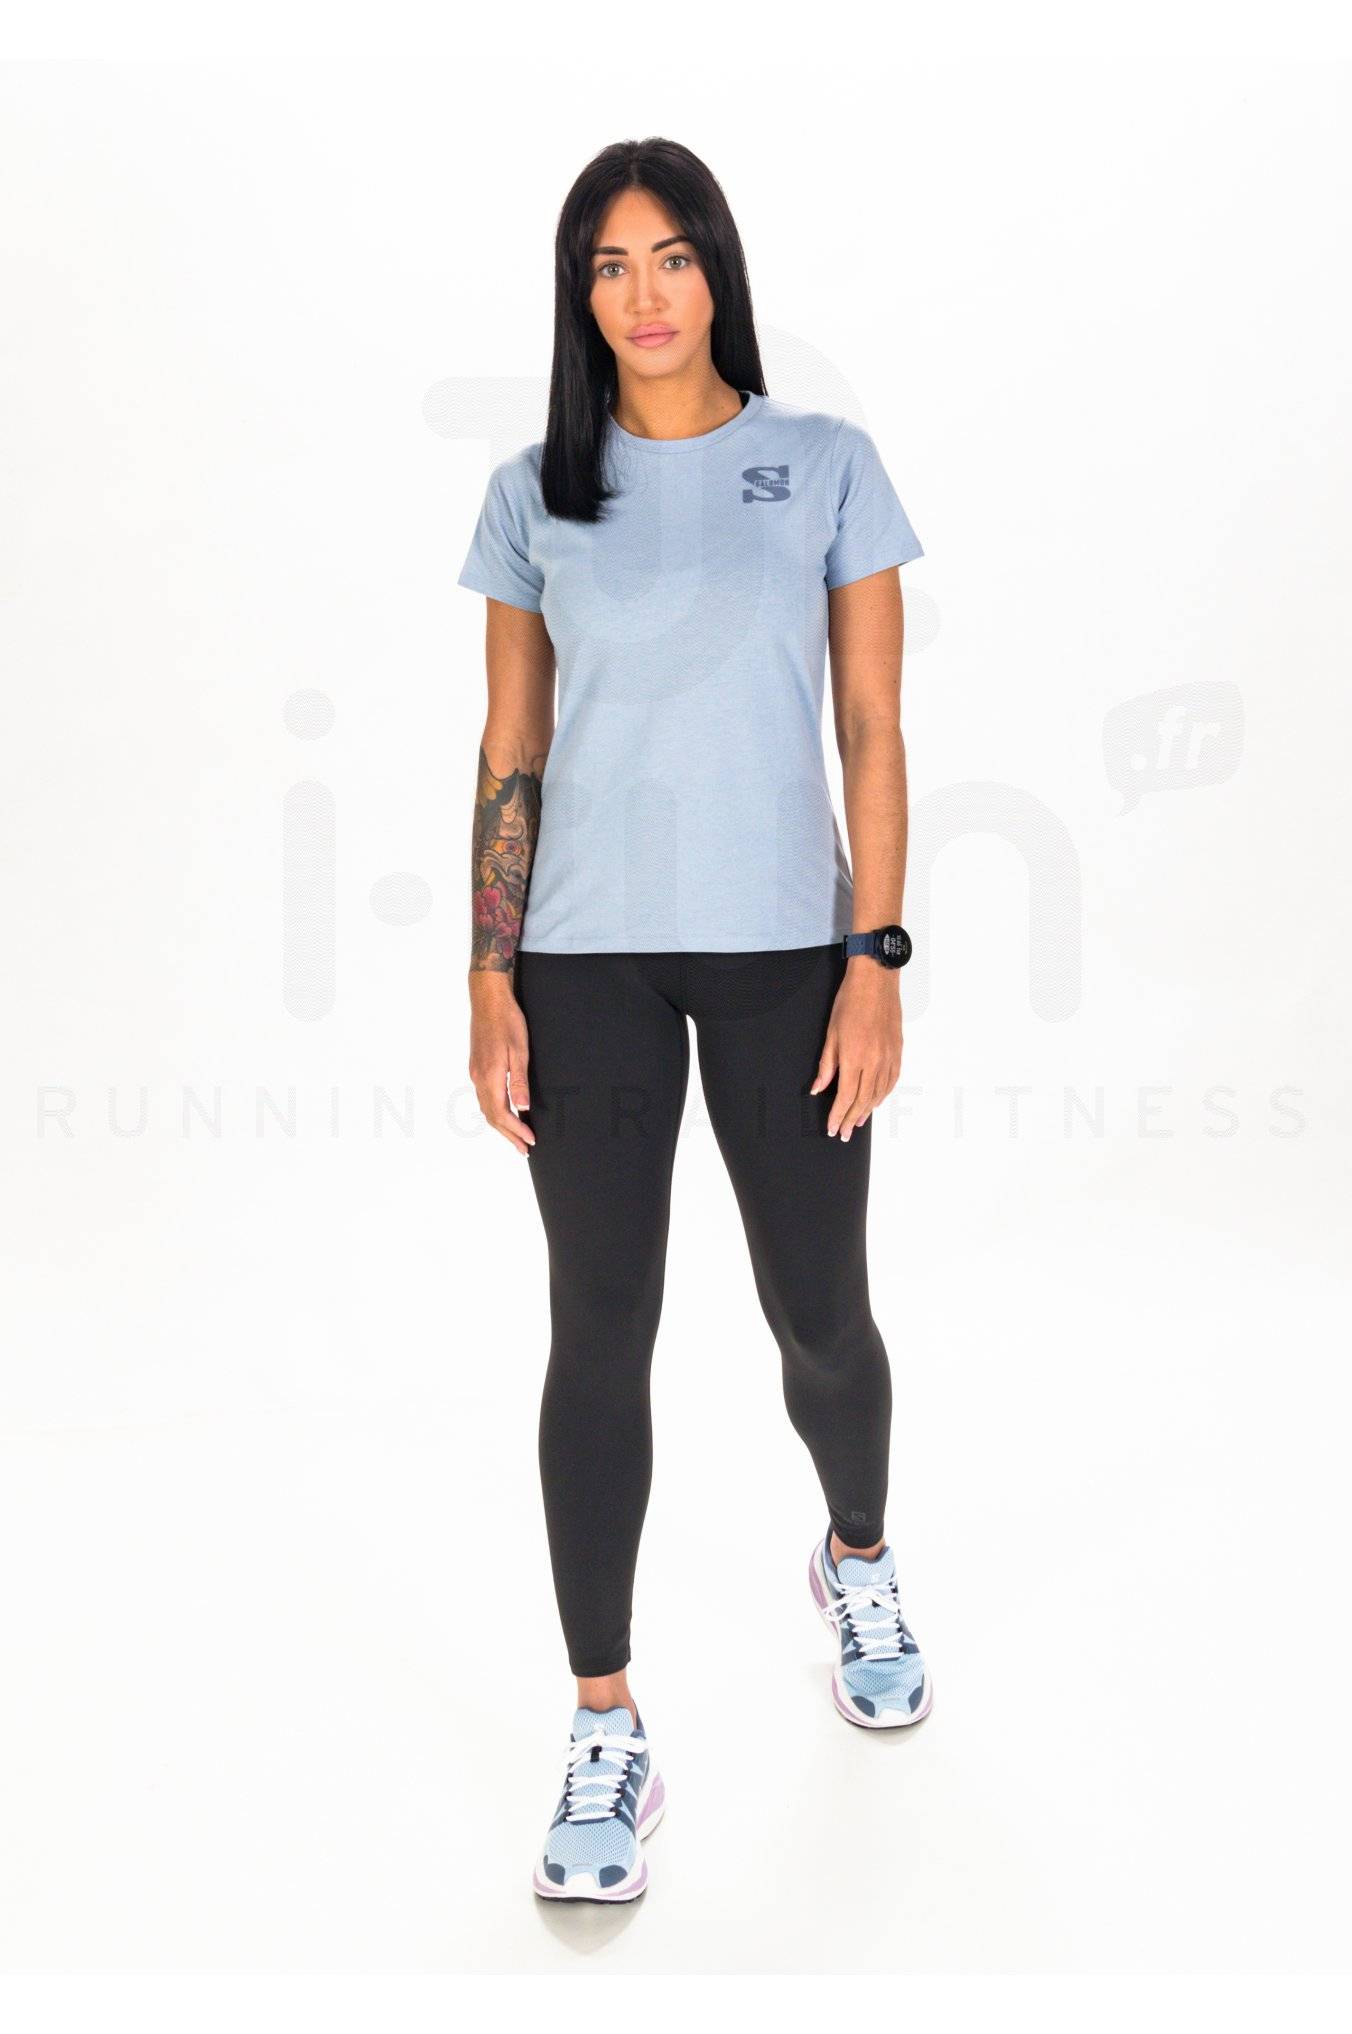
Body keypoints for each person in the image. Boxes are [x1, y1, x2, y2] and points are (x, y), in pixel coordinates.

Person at [459, 136, 930, 1905]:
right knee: (599, 1333)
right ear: (578, 295)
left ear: (718, 270)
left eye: (670, 257)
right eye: (608, 265)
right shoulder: (534, 490)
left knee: (821, 1312)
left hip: (786, 956)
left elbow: (871, 728)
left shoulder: (825, 464)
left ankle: (857, 1552)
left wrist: (876, 953)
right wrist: (488, 972)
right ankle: (606, 1724)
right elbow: (513, 743)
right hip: (584, 964)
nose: (643, 294)